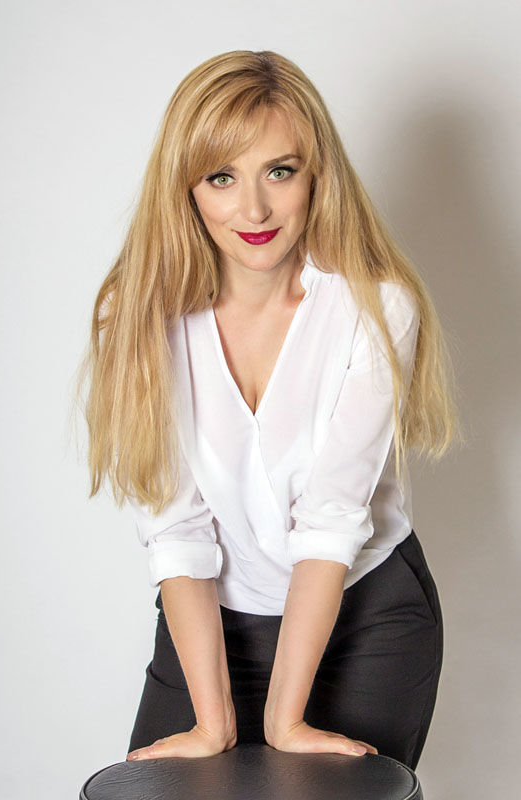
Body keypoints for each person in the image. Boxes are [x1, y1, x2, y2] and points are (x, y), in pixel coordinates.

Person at [75, 50, 463, 770]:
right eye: (221, 178)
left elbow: (330, 519)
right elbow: (176, 528)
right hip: (212, 625)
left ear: (317, 176)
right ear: (185, 188)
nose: (252, 210)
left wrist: (285, 721)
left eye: (279, 172)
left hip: (364, 617)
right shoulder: (134, 318)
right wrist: (211, 723)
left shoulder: (377, 310)